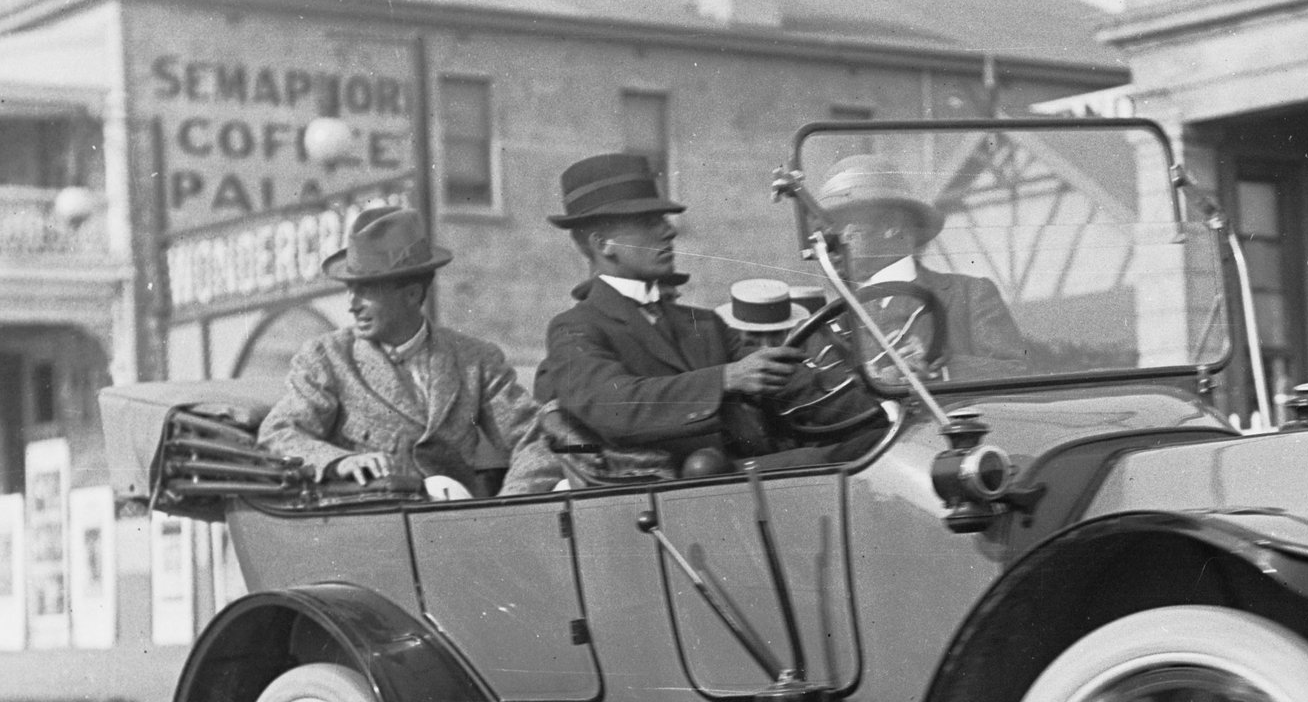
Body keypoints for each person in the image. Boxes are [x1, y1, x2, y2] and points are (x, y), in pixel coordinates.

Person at [533, 154, 877, 475]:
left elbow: (798, 387)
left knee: (875, 447)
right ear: (603, 243)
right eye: (650, 222)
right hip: (685, 492)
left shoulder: (703, 324)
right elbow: (617, 406)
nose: (669, 230)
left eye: (665, 219)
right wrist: (725, 380)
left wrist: (888, 403)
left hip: (736, 478)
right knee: (861, 460)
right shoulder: (575, 329)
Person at [259, 205, 538, 495]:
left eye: (366, 290)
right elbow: (279, 433)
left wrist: (508, 508)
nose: (352, 304)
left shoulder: (476, 362)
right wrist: (339, 462)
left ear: (412, 294)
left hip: (456, 526)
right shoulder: (327, 358)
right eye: (350, 289)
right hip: (370, 526)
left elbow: (534, 438)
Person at [816, 154, 1029, 382]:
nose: (826, 242)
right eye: (822, 230)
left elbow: (1016, 372)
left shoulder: (970, 294)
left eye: (839, 225)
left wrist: (942, 369)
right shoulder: (826, 322)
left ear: (891, 225)